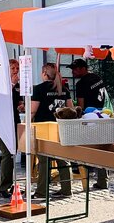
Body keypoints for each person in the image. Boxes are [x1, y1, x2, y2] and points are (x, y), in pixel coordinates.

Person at [66, 58, 109, 190]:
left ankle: (83, 175)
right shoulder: (97, 77)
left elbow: (80, 106)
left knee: (83, 148)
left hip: (90, 118)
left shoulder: (81, 84)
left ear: (83, 68)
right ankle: (103, 180)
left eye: (76, 69)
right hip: (103, 116)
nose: (73, 72)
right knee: (101, 148)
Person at [31, 63, 72, 198]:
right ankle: (67, 189)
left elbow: (32, 110)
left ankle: (42, 192)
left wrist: (27, 122)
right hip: (61, 128)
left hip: (44, 128)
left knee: (44, 160)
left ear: (44, 73)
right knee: (63, 159)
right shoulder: (64, 88)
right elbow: (71, 109)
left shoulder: (38, 89)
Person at [0, 59, 22, 198]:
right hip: (1, 121)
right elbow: (2, 99)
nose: (16, 70)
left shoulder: (18, 85)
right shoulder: (3, 84)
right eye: (12, 68)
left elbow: (18, 101)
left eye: (17, 67)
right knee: (7, 152)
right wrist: (12, 84)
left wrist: (22, 105)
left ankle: (11, 184)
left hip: (14, 120)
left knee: (13, 153)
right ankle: (4, 187)